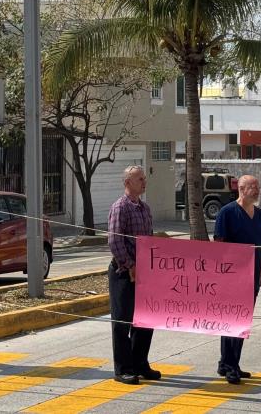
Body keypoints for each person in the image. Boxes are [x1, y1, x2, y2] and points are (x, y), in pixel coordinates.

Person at [213, 174, 261, 385]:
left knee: (243, 321)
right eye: (252, 187)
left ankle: (229, 363)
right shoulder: (227, 213)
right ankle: (229, 365)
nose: (256, 190)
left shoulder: (259, 214)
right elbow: (219, 245)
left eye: (258, 186)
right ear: (241, 189)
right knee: (231, 320)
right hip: (232, 278)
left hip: (253, 276)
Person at [107, 164, 160, 386]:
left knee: (146, 320)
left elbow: (148, 238)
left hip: (144, 272)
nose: (144, 182)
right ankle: (123, 369)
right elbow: (115, 240)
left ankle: (140, 363)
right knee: (122, 320)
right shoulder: (120, 207)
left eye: (144, 178)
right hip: (123, 272)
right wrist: (130, 265)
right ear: (128, 182)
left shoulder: (145, 208)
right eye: (139, 179)